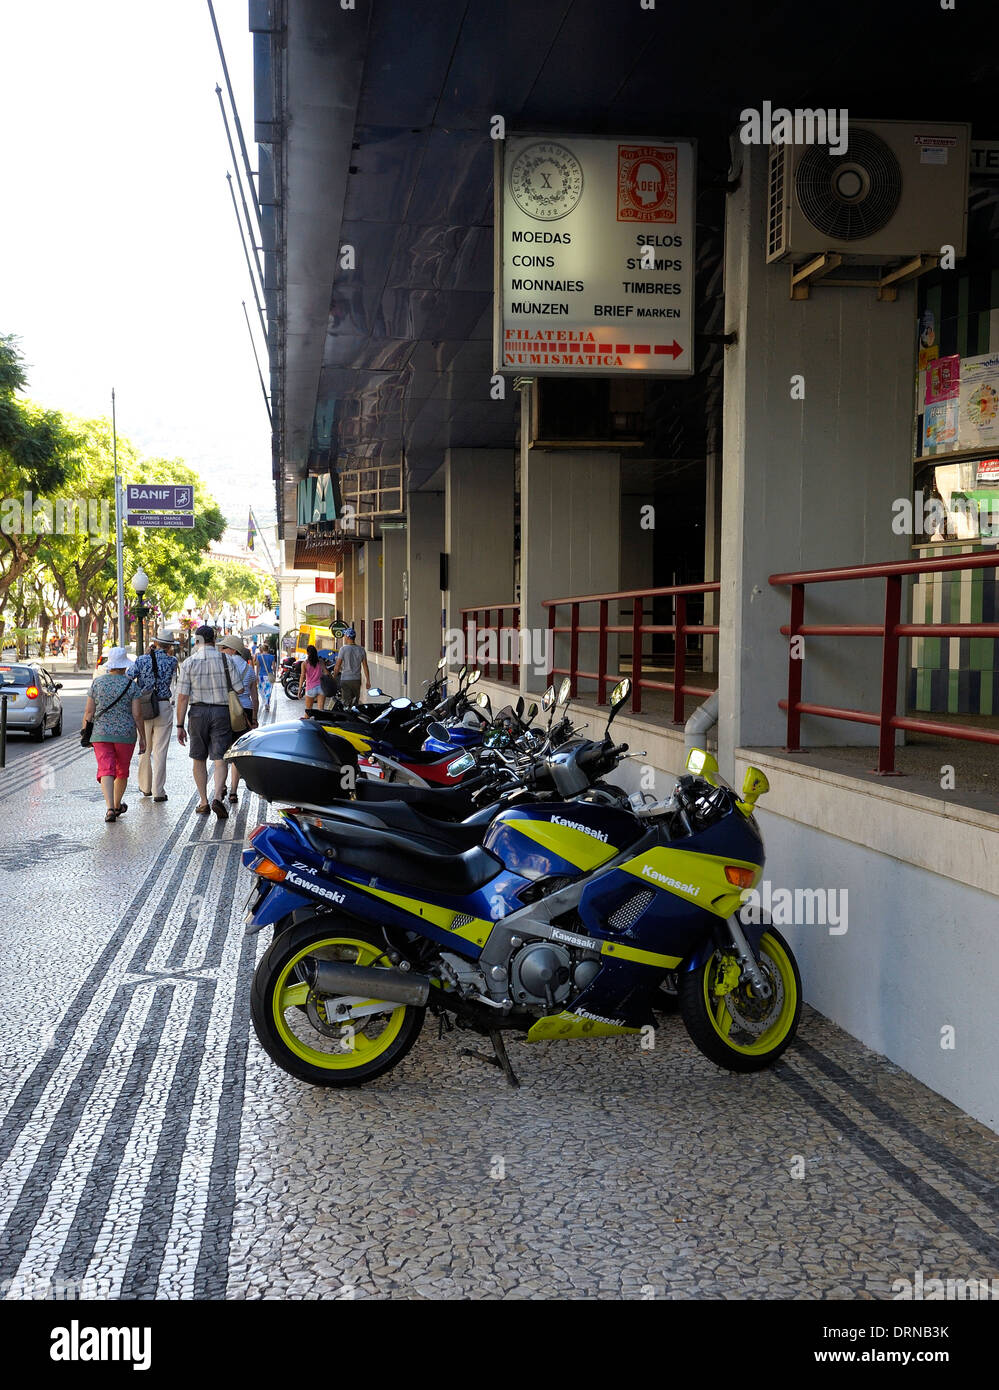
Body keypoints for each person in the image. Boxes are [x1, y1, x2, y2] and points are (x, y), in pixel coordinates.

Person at [175, 624, 246, 820]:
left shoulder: (189, 663)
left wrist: (180, 725)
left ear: (198, 641)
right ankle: (217, 797)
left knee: (198, 758)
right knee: (220, 757)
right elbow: (239, 690)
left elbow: (182, 697)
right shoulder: (226, 660)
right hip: (221, 712)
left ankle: (204, 802)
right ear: (214, 640)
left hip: (197, 712)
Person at [81, 646, 146, 823]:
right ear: (125, 666)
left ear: (110, 665)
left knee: (106, 769)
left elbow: (89, 712)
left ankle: (110, 808)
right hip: (126, 734)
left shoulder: (97, 683)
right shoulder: (131, 686)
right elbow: (137, 715)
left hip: (101, 734)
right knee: (122, 770)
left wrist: (85, 734)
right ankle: (117, 805)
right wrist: (143, 738)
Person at [132, 630, 179, 803]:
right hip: (163, 705)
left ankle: (145, 787)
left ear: (155, 643)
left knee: (145, 747)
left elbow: (129, 675)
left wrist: (146, 654)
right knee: (160, 751)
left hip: (144, 705)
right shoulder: (172, 661)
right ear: (169, 646)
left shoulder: (142, 659)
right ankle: (158, 790)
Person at [218, 634, 259, 805]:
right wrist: (255, 718)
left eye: (223, 647)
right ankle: (233, 791)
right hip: (245, 712)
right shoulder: (249, 669)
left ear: (231, 650)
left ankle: (221, 787)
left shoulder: (222, 666)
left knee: (222, 751)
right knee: (237, 752)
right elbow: (255, 697)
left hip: (226, 709)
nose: (221, 650)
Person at [332, 628, 370, 708]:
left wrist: (334, 677)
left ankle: (347, 719)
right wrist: (368, 681)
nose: (344, 637)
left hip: (345, 680)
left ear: (348, 637)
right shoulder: (361, 650)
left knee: (346, 703)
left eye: (345, 635)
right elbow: (365, 666)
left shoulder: (343, 649)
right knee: (355, 703)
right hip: (356, 680)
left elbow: (337, 665)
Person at [297, 643, 326, 714]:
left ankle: (308, 724)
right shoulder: (320, 662)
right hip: (321, 687)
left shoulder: (304, 663)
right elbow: (326, 672)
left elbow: (302, 677)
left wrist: (300, 690)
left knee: (308, 712)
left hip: (310, 688)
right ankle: (320, 724)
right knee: (321, 712)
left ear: (307, 653)